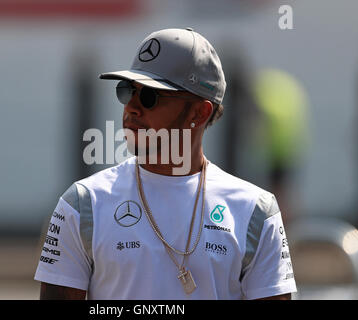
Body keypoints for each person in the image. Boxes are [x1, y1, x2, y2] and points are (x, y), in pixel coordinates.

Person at [34, 28, 297, 300]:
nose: (131, 108)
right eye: (127, 91)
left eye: (150, 96)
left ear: (199, 112)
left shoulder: (256, 212)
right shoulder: (81, 205)